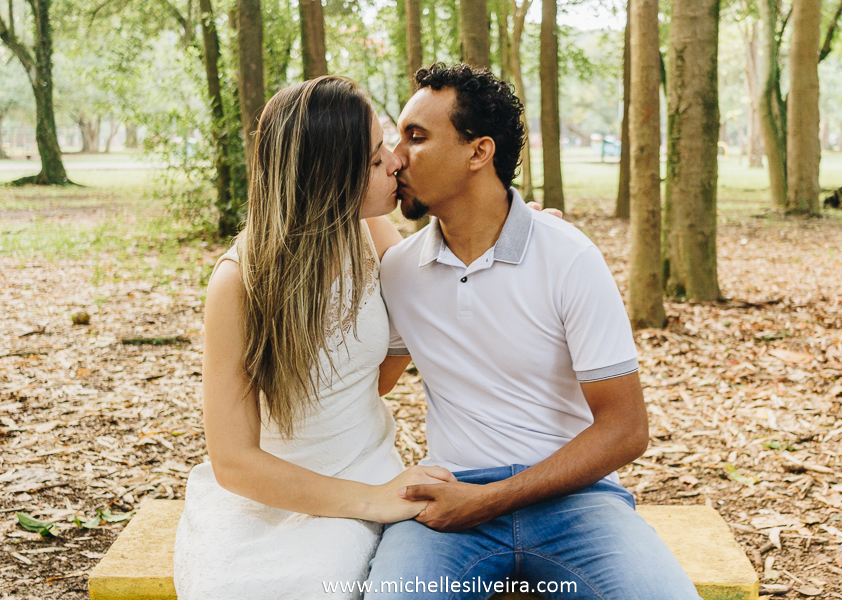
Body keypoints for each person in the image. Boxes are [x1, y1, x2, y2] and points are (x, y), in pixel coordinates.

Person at [366, 64, 701, 599]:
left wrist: (491, 499)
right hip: (451, 498)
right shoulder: (400, 272)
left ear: (479, 153)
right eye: (396, 136)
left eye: (416, 136)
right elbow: (367, 387)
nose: (396, 156)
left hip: (578, 501)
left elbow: (626, 429)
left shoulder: (569, 256)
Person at [172, 75, 458, 600]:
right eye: (375, 160)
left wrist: (519, 229)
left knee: (327, 581)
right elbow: (234, 460)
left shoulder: (371, 234)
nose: (396, 161)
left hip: (366, 461)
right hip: (267, 490)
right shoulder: (240, 281)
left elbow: (380, 371)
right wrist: (370, 501)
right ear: (327, 179)